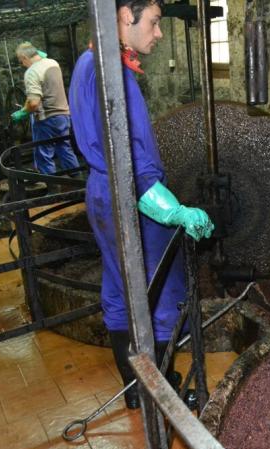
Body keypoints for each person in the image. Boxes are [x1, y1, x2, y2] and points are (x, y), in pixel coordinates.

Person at [68, 0, 214, 409]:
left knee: (120, 289)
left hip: (103, 194)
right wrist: (174, 211)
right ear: (125, 16)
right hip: (131, 201)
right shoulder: (110, 74)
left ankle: (136, 391)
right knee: (161, 290)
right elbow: (129, 163)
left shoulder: (87, 62)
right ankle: (161, 394)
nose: (159, 32)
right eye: (154, 22)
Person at [11, 42, 80, 176]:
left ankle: (52, 190)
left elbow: (34, 103)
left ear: (25, 57)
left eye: (21, 61)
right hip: (63, 115)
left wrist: (23, 112)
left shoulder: (31, 72)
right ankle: (78, 183)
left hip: (46, 118)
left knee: (43, 154)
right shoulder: (53, 63)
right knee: (64, 148)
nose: (22, 64)